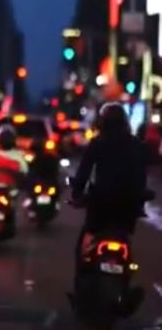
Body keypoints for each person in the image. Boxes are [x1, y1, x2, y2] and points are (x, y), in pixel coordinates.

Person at [70, 103, 148, 268]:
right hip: (127, 206)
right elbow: (141, 177)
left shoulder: (98, 142)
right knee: (125, 240)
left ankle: (81, 283)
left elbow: (84, 171)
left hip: (101, 203)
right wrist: (139, 201)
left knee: (85, 244)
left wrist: (77, 194)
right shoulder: (136, 145)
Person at [0, 125, 28, 191]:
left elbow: (24, 175)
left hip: (11, 191)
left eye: (8, 138)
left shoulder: (19, 156)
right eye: (4, 138)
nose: (6, 140)